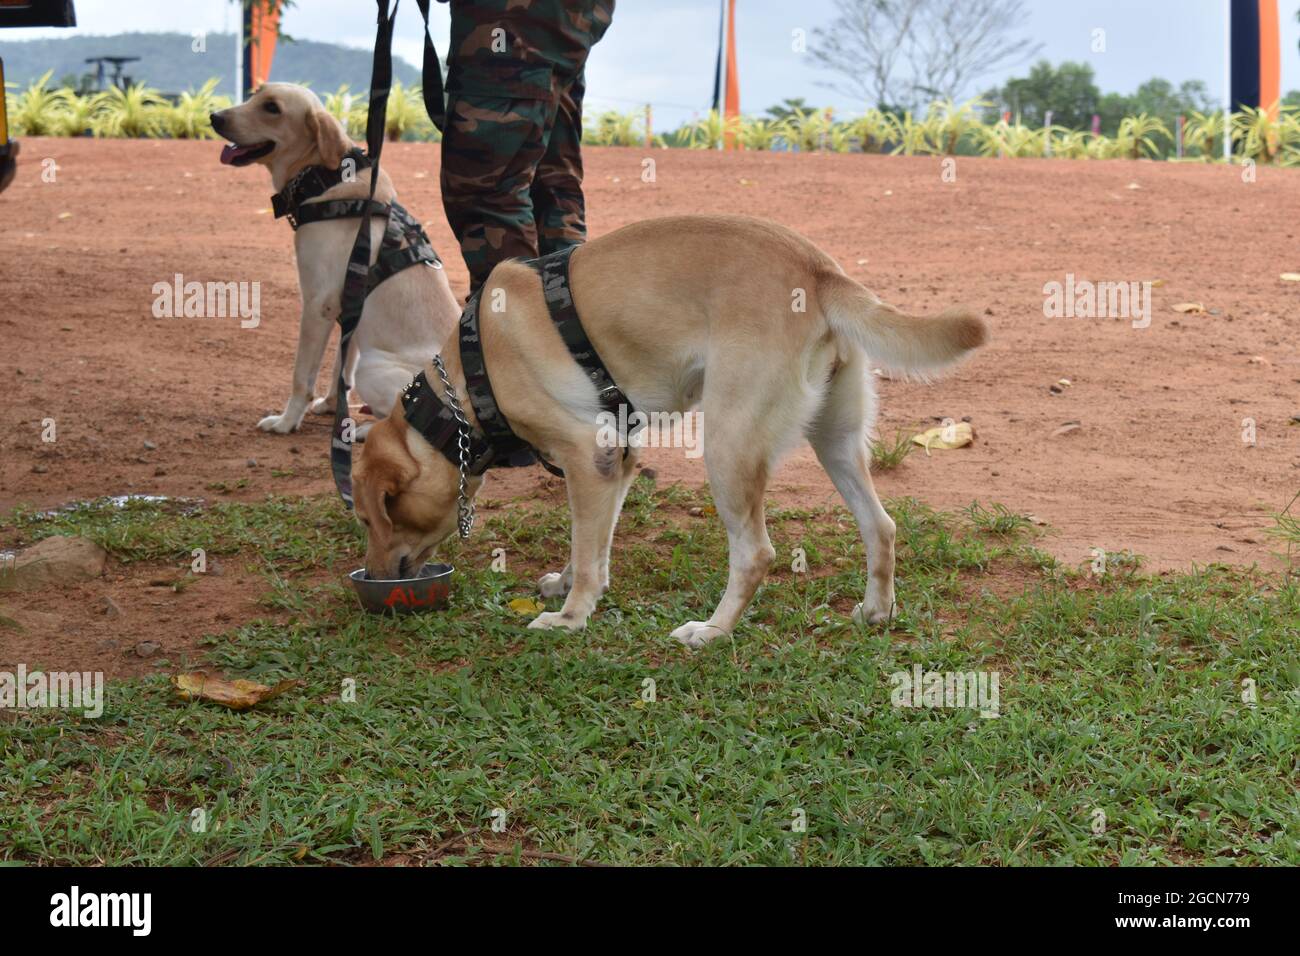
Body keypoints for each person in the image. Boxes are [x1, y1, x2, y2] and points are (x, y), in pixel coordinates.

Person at [439, 0, 614, 295]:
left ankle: (513, 326)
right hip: (566, 20)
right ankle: (571, 319)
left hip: (510, 21)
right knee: (551, 182)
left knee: (489, 193)